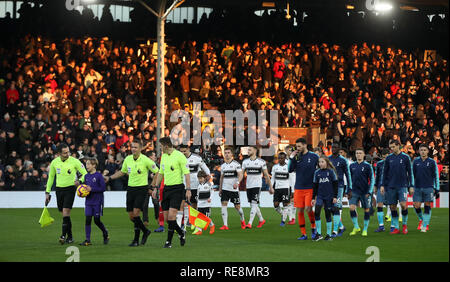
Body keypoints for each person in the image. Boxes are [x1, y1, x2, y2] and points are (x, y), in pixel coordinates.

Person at [105, 140, 159, 246]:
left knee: (136, 213)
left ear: (140, 148)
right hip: (131, 189)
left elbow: (157, 172)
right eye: (132, 147)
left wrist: (152, 186)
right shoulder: (128, 159)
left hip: (141, 189)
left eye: (135, 147)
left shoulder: (145, 160)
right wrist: (110, 178)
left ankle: (135, 240)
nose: (133, 149)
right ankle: (145, 231)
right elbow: (122, 172)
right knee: (131, 216)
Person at [151, 137, 191, 248]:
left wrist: (188, 189)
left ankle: (168, 242)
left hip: (177, 189)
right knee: (168, 219)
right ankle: (181, 232)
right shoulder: (163, 157)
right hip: (167, 189)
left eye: (160, 146)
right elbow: (161, 173)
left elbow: (187, 174)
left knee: (172, 216)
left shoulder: (179, 156)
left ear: (166, 146)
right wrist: (155, 187)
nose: (160, 148)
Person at [45, 143, 88, 244]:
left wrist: (80, 181)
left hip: (70, 189)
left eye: (68, 151)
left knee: (65, 212)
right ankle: (70, 237)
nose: (67, 154)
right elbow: (51, 178)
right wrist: (47, 192)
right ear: (59, 153)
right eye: (65, 153)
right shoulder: (54, 162)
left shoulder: (74, 161)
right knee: (65, 215)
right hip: (59, 190)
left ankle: (63, 236)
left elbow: (85, 173)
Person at [380, 139, 414, 235]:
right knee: (392, 207)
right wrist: (382, 185)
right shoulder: (388, 158)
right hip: (391, 186)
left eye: (393, 147)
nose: (392, 149)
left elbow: (410, 172)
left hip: (402, 185)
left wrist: (411, 185)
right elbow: (384, 173)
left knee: (403, 205)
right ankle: (396, 227)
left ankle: (404, 225)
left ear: (398, 145)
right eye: (390, 147)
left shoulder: (405, 157)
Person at [288, 138, 319, 240]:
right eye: (297, 146)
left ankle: (313, 228)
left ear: (305, 145)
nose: (298, 148)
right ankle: (303, 234)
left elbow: (320, 168)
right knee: (300, 210)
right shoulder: (296, 157)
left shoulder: (314, 156)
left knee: (308, 208)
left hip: (310, 187)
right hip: (299, 187)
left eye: (299, 146)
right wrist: (291, 158)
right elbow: (289, 170)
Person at [179, 144, 211, 233]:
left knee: (195, 204)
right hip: (184, 185)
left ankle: (195, 221)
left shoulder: (196, 158)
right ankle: (186, 222)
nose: (183, 153)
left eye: (184, 151)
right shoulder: (179, 158)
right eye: (181, 151)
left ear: (188, 149)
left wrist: (208, 176)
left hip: (196, 186)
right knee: (184, 204)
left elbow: (205, 168)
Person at [242, 145, 274, 229]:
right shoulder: (245, 162)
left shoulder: (261, 162)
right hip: (248, 185)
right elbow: (241, 174)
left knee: (254, 203)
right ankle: (261, 219)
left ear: (255, 151)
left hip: (257, 185)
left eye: (250, 149)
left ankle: (249, 223)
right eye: (248, 150)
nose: (248, 151)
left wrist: (271, 187)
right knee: (253, 204)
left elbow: (266, 175)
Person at [79, 158, 109, 246]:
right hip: (88, 202)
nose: (86, 166)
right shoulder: (86, 176)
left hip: (97, 202)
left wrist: (92, 189)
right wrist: (81, 192)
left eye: (88, 164)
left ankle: (105, 233)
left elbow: (103, 188)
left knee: (96, 220)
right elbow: (85, 188)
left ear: (94, 165)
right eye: (86, 164)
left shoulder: (99, 175)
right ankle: (88, 240)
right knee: (87, 220)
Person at [412, 144, 440, 233]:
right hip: (417, 187)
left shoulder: (432, 162)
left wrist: (437, 188)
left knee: (427, 205)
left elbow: (436, 175)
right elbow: (412, 175)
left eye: (424, 150)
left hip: (429, 187)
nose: (423, 151)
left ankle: (425, 225)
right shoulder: (415, 162)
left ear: (428, 151)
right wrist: (411, 186)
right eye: (421, 150)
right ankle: (422, 219)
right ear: (419, 151)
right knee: (416, 206)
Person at [348, 148, 374, 237]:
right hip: (354, 191)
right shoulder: (352, 166)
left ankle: (365, 229)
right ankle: (356, 227)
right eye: (357, 153)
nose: (358, 154)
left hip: (365, 191)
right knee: (351, 208)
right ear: (355, 155)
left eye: (360, 153)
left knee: (366, 210)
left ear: (363, 155)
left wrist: (370, 191)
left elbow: (372, 179)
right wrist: (349, 190)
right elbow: (349, 179)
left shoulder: (367, 166)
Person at [311, 157, 339, 241]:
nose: (320, 164)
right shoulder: (317, 173)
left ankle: (328, 235)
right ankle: (319, 234)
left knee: (328, 214)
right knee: (317, 212)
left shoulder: (331, 172)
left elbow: (335, 185)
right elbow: (315, 186)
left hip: (329, 197)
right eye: (319, 162)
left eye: (322, 162)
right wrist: (313, 198)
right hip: (320, 196)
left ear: (326, 162)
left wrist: (335, 196)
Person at [219, 146, 246, 230]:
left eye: (228, 153)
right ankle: (225, 225)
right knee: (224, 204)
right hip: (225, 189)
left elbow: (241, 174)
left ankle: (242, 219)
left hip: (234, 190)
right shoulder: (223, 166)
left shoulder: (236, 164)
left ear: (232, 154)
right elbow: (221, 178)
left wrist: (237, 183)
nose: (226, 155)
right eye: (225, 153)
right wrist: (220, 189)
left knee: (238, 207)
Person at [328, 143, 352, 236]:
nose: (333, 149)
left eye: (335, 147)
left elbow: (348, 174)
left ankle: (335, 231)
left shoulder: (343, 160)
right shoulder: (328, 159)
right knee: (330, 208)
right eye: (332, 147)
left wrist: (349, 188)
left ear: (339, 149)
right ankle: (341, 227)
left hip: (339, 186)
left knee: (336, 207)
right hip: (329, 186)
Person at [271, 152, 291, 226]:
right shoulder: (275, 167)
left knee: (285, 204)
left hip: (285, 188)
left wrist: (291, 189)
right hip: (277, 188)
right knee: (276, 205)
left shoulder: (288, 167)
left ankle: (283, 221)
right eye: (279, 158)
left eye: (281, 158)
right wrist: (271, 187)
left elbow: (291, 178)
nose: (280, 159)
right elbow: (273, 178)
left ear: (285, 159)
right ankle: (283, 214)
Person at [192, 170, 215, 235]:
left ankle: (212, 225)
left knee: (206, 217)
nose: (200, 180)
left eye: (201, 178)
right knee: (199, 217)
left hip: (207, 204)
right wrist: (197, 198)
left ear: (204, 178)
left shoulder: (208, 184)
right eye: (199, 178)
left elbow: (212, 192)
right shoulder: (198, 186)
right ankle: (199, 230)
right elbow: (197, 194)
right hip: (200, 204)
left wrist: (210, 198)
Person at [373, 148, 390, 232]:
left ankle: (394, 226)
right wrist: (375, 186)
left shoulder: (392, 163)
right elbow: (377, 176)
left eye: (386, 157)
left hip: (390, 187)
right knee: (379, 205)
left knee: (392, 206)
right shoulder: (379, 164)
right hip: (380, 187)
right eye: (383, 158)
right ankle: (381, 226)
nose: (384, 159)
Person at [285, 145, 296, 224]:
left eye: (292, 150)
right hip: (285, 183)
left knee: (293, 201)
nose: (291, 151)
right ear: (286, 151)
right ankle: (290, 217)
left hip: (295, 183)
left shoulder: (296, 160)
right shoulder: (283, 161)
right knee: (286, 201)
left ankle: (292, 218)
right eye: (289, 150)